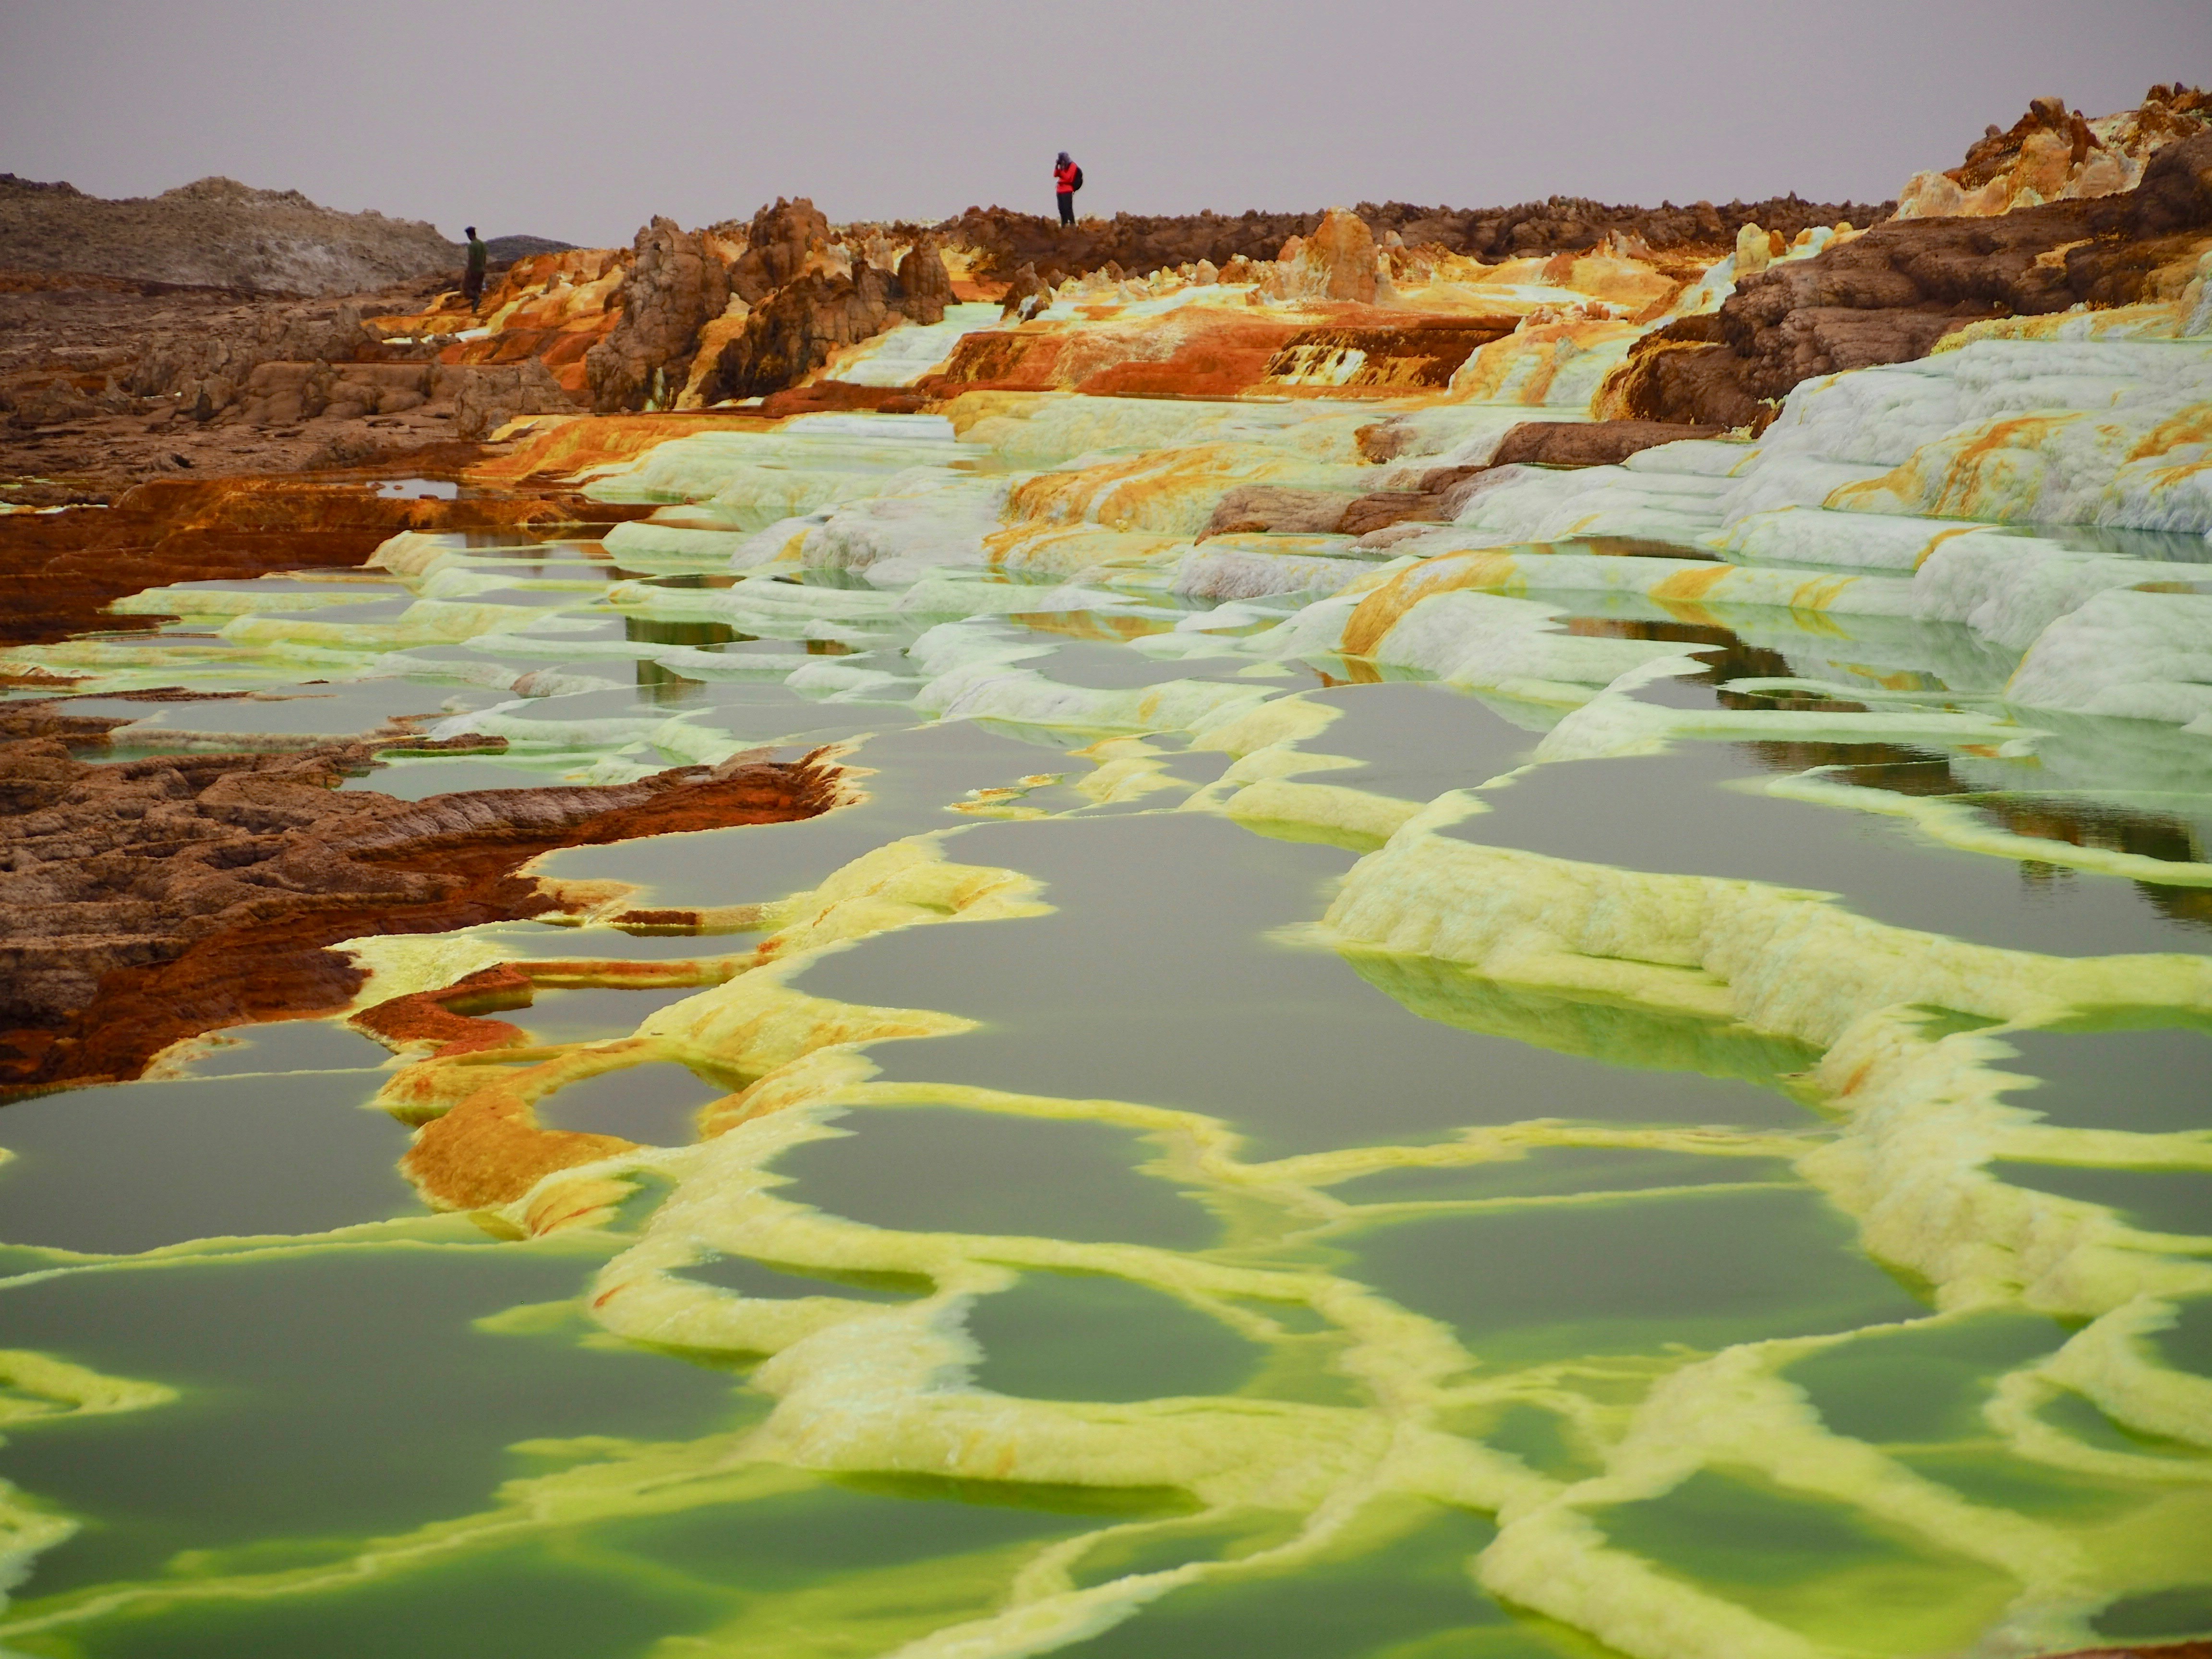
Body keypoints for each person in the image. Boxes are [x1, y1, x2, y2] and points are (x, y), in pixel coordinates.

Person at [460, 226, 489, 309]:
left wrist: (469, 270)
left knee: (466, 288)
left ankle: (477, 299)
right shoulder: (482, 244)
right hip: (482, 269)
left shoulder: (472, 245)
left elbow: (472, 258)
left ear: (469, 235)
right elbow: (484, 258)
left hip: (474, 270)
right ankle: (474, 309)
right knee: (476, 288)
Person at [1053, 154, 1080, 227]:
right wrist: (1057, 166)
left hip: (1067, 190)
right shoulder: (1062, 167)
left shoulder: (1073, 166)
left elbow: (1068, 177)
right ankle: (1064, 224)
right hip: (1060, 190)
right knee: (1061, 208)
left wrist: (1061, 171)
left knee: (1068, 208)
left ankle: (1072, 223)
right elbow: (1055, 175)